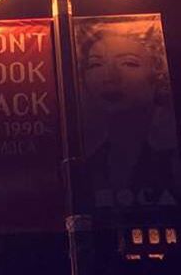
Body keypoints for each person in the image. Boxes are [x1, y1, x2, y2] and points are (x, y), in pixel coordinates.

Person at [75, 19, 180, 212]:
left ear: (157, 73)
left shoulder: (172, 157)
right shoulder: (87, 165)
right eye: (96, 64)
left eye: (128, 63)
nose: (110, 77)